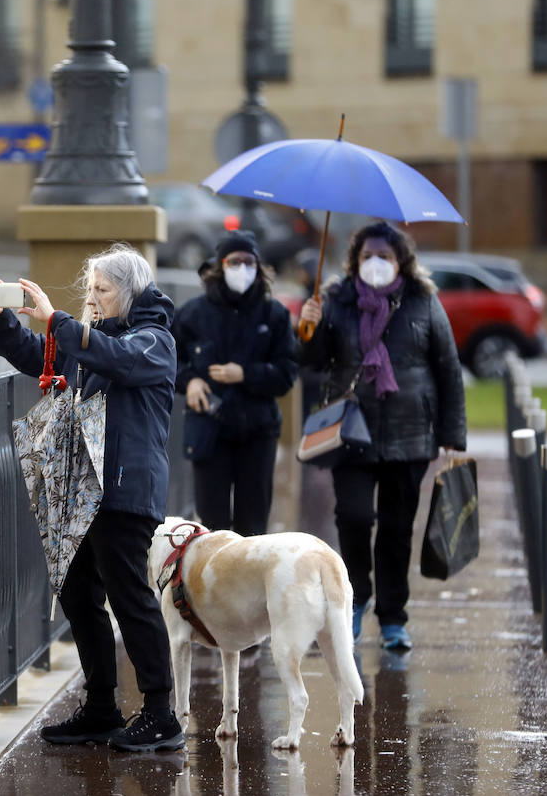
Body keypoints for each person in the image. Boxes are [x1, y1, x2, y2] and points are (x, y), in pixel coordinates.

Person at [0, 244, 184, 752]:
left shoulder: (153, 340)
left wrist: (59, 320)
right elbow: (34, 354)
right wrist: (3, 320)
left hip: (124, 491)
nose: (91, 297)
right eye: (89, 288)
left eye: (102, 290)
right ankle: (100, 709)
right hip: (81, 492)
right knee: (77, 593)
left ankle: (161, 714)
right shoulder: (87, 340)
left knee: (129, 597)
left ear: (129, 292)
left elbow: (115, 359)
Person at [295, 221, 466, 652]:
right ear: (355, 260)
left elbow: (447, 366)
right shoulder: (336, 299)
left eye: (384, 257)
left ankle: (393, 617)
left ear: (400, 262)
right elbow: (312, 362)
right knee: (353, 518)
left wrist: (452, 432)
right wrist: (307, 327)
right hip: (351, 430)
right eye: (367, 256)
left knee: (396, 527)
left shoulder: (423, 300)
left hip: (410, 433)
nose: (375, 263)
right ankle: (355, 600)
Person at [171, 230, 298, 536]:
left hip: (257, 431)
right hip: (209, 431)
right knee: (213, 527)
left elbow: (287, 372)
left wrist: (245, 374)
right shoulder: (192, 314)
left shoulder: (275, 314)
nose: (242, 268)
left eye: (249, 262)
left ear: (259, 267)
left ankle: (249, 583)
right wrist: (190, 382)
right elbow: (168, 362)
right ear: (220, 265)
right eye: (235, 261)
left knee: (253, 526)